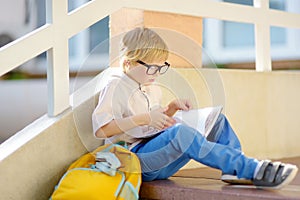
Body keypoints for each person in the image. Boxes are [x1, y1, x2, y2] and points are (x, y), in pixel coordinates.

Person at [92, 27, 298, 189]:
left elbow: (152, 124)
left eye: (161, 67)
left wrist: (170, 110)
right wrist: (145, 118)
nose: (156, 73)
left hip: (155, 151)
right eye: (152, 68)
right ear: (128, 63)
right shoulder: (116, 85)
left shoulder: (150, 86)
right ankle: (251, 168)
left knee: (216, 121)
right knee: (182, 134)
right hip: (137, 160)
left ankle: (233, 169)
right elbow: (102, 129)